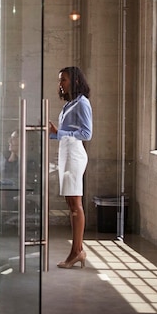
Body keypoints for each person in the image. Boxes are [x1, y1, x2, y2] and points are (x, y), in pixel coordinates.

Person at [48, 66, 92, 269]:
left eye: (63, 80)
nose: (60, 84)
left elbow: (86, 133)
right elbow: (65, 132)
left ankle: (76, 252)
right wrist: (53, 132)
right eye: (59, 80)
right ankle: (78, 250)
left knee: (75, 203)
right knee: (71, 202)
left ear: (75, 81)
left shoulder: (82, 103)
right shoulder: (69, 105)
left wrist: (61, 133)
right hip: (66, 154)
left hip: (74, 155)